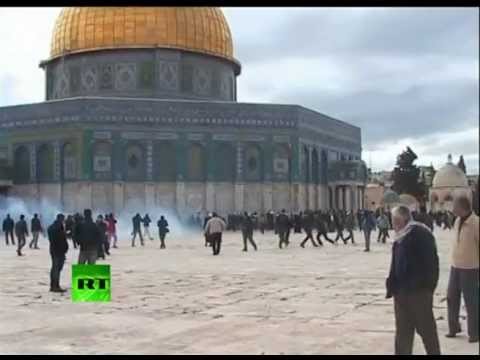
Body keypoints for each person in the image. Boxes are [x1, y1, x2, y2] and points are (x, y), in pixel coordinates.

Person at [385, 205, 441, 355]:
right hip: (401, 293)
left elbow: (432, 263)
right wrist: (392, 284)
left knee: (427, 331)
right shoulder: (399, 236)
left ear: (401, 219)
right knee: (403, 333)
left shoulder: (421, 234)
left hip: (419, 293)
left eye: (394, 220)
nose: (392, 224)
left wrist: (427, 289)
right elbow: (395, 263)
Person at [446, 195, 479, 343]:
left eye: (455, 206)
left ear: (462, 207)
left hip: (470, 267)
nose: (452, 209)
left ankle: (475, 333)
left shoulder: (476, 223)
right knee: (451, 298)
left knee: (471, 301)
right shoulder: (458, 221)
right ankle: (454, 328)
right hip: (455, 266)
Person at [47, 214, 68, 293]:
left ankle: (53, 285)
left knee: (54, 268)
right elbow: (61, 240)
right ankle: (55, 286)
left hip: (53, 250)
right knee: (57, 269)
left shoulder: (51, 227)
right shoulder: (59, 228)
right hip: (59, 251)